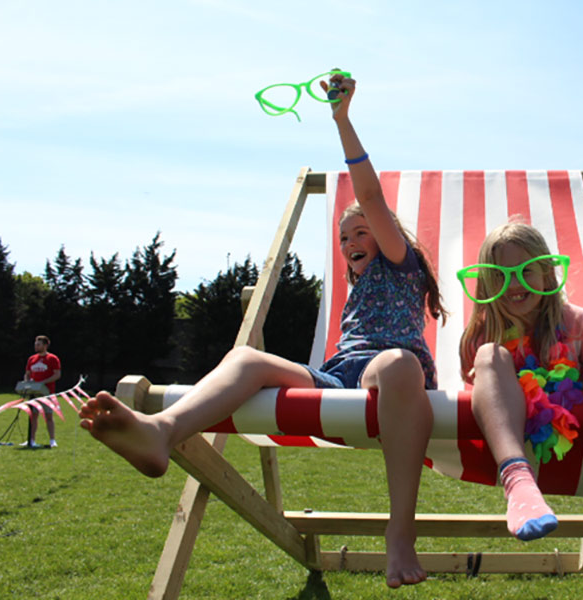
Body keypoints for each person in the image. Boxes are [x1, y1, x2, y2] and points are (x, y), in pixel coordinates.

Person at [78, 72, 446, 589]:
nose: (351, 241)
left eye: (361, 230)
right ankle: (161, 432)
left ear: (387, 234)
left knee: (400, 362)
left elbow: (369, 193)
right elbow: (331, 366)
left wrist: (342, 121)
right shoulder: (357, 284)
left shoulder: (399, 263)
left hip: (393, 375)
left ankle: (399, 533)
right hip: (340, 378)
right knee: (246, 358)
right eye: (344, 238)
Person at [458, 220, 583, 566]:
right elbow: (480, 401)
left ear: (548, 274)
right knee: (490, 355)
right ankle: (517, 482)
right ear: (486, 283)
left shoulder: (578, 324)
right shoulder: (482, 334)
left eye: (525, 271)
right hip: (511, 448)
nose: (513, 283)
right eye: (500, 275)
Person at [24, 335, 61, 448]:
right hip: (34, 393)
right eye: (35, 344)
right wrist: (27, 383)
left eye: (38, 344)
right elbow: (27, 374)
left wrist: (43, 382)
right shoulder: (31, 359)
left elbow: (57, 375)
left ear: (45, 345)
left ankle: (52, 440)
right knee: (33, 416)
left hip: (47, 392)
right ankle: (31, 440)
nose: (36, 346)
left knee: (48, 416)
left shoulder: (52, 358)